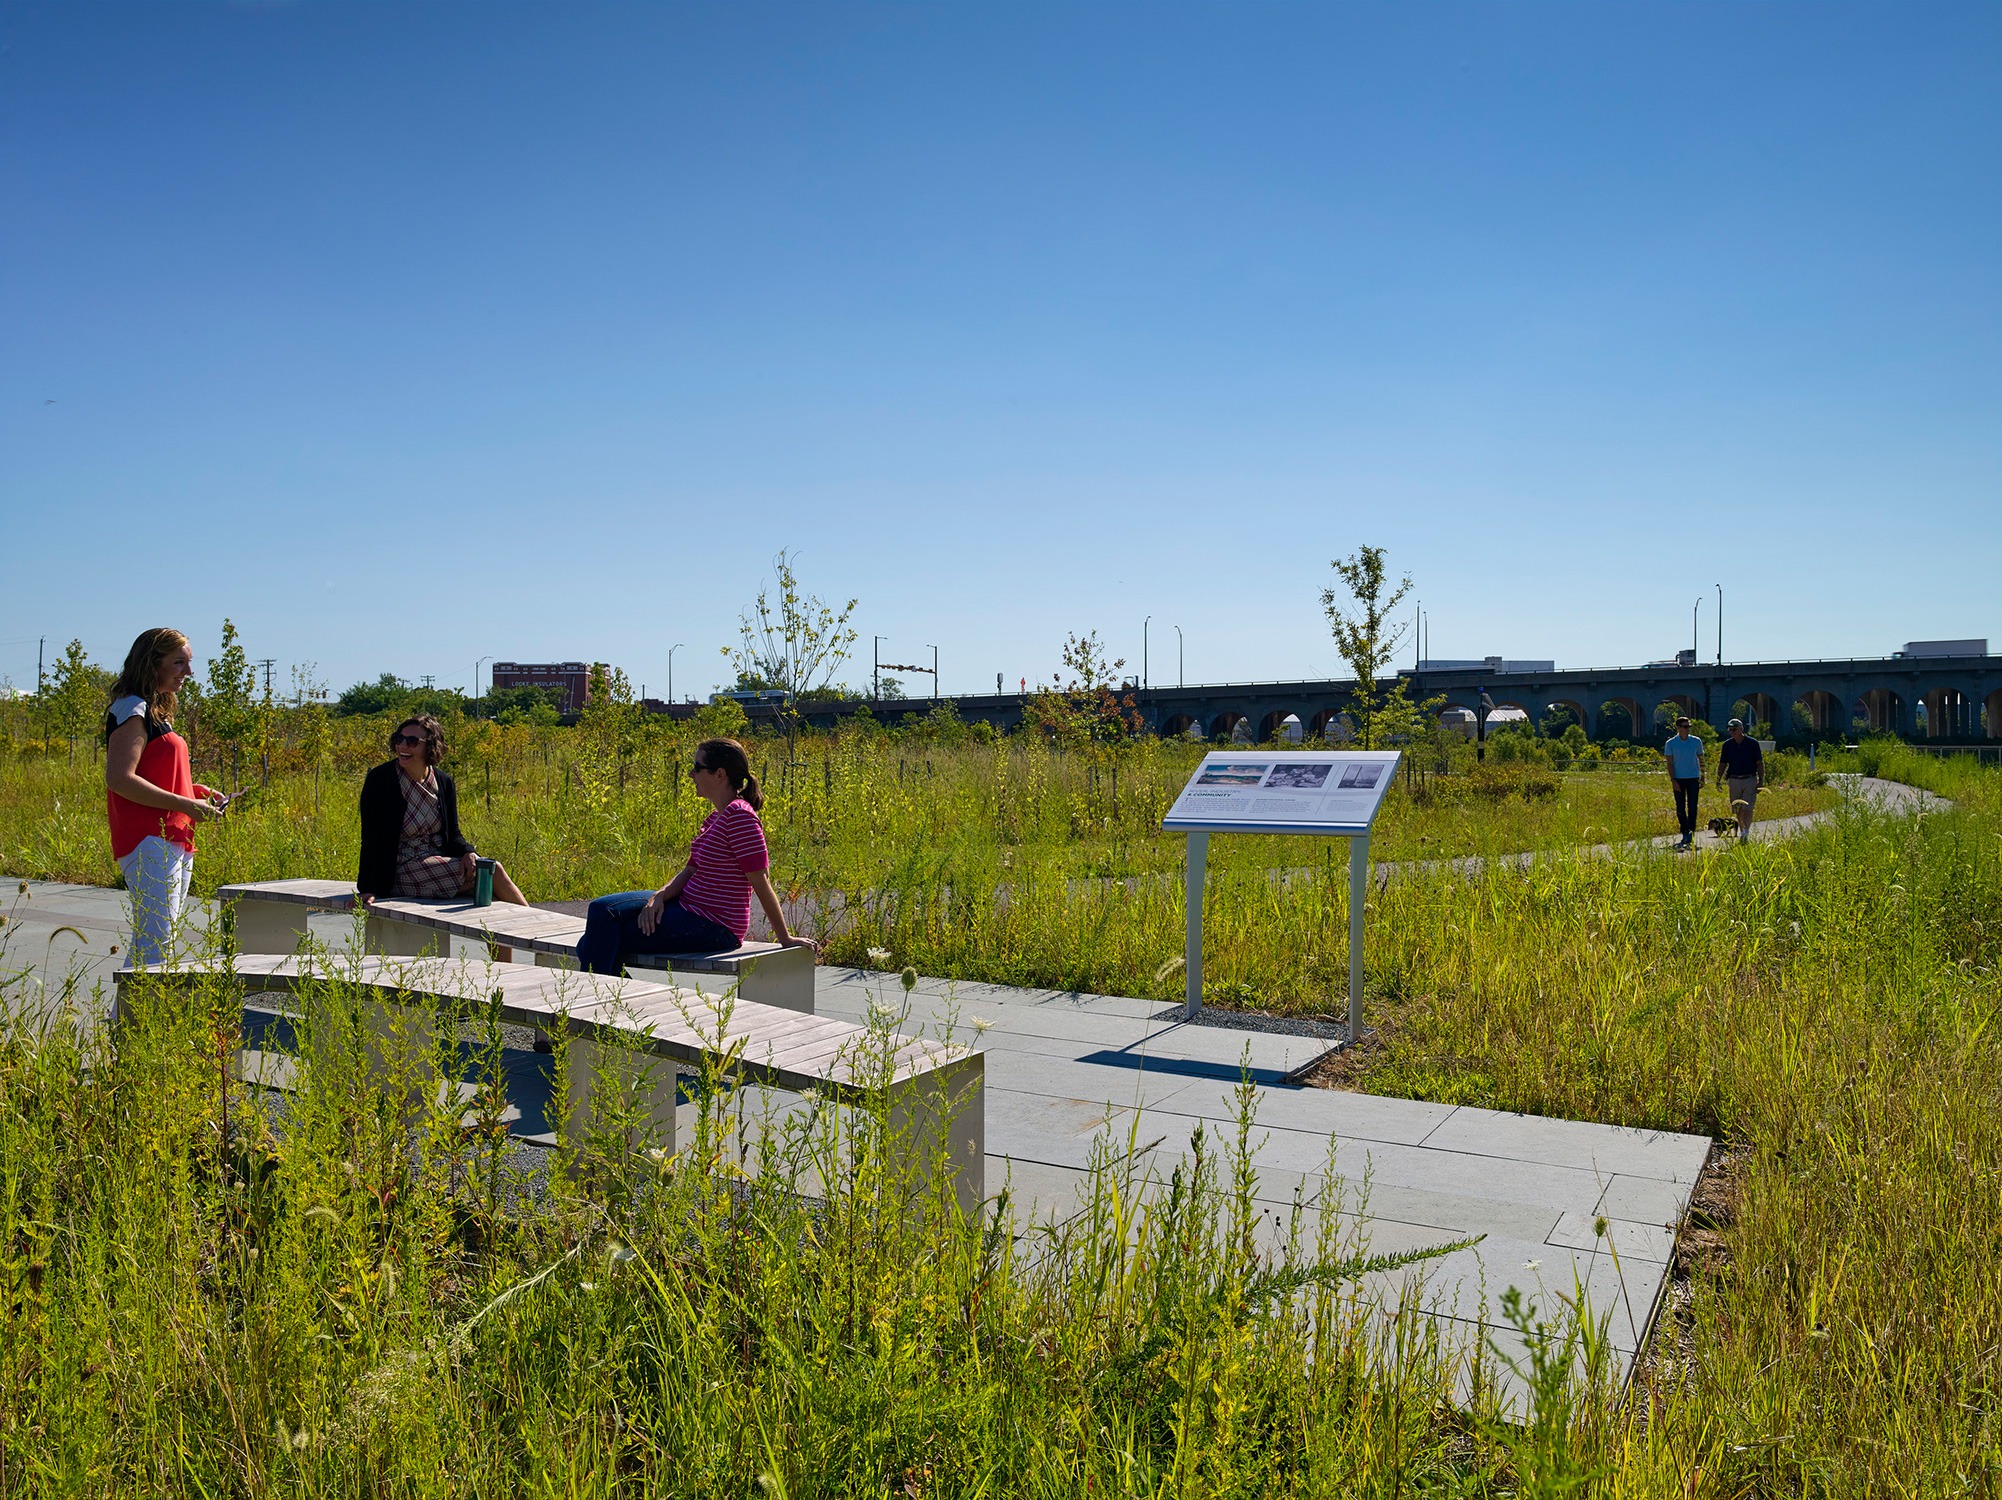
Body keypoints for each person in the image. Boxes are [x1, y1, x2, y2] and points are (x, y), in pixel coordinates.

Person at [577, 737, 816, 975]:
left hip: (715, 926)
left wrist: (785, 938)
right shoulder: (715, 818)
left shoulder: (741, 817)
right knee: (600, 913)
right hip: (687, 907)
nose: (691, 774)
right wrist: (659, 896)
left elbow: (761, 881)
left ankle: (608, 1003)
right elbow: (690, 870)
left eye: (697, 767)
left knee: (595, 939)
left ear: (719, 775)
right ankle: (616, 1001)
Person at [104, 627, 225, 966]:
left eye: (188, 662)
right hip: (149, 839)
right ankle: (130, 1020)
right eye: (179, 662)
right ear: (151, 663)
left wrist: (193, 791)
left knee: (160, 940)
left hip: (172, 837)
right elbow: (119, 778)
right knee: (155, 943)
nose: (188, 672)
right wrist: (186, 804)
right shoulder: (132, 707)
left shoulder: (154, 710)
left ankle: (128, 1019)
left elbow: (152, 772)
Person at [357, 714, 528, 905]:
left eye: (412, 741)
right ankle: (535, 926)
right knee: (489, 873)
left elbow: (453, 833)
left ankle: (526, 928)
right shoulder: (381, 779)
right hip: (399, 868)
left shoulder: (443, 782)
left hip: (438, 860)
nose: (403, 746)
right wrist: (367, 888)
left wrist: (467, 852)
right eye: (399, 739)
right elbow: (370, 837)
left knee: (488, 891)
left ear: (430, 746)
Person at [1715, 717, 1765, 840]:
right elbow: (1723, 763)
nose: (1733, 732)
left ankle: (1745, 832)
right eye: (1730, 729)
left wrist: (1761, 780)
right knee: (1737, 808)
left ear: (1741, 728)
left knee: (1748, 807)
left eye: (1735, 729)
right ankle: (1742, 829)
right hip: (1734, 779)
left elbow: (1759, 762)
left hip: (1750, 779)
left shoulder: (1752, 743)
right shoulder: (1727, 745)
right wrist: (1718, 780)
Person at [1663, 715, 1704, 850]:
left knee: (1692, 807)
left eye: (1688, 727)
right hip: (1679, 779)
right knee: (1680, 807)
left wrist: (1703, 776)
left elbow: (1701, 758)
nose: (1687, 729)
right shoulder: (1671, 743)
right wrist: (1673, 780)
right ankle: (1684, 831)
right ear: (1679, 728)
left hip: (1693, 778)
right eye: (1685, 727)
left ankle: (1691, 832)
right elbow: (1669, 763)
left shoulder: (1696, 741)